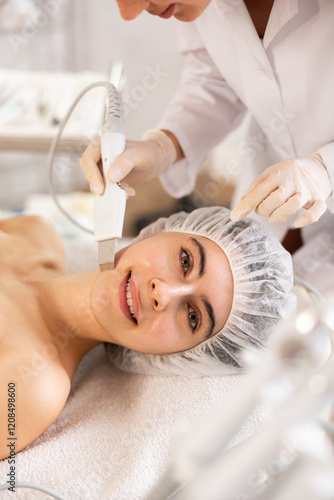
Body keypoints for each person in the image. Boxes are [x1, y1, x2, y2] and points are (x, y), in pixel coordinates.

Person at [0, 206, 294, 460]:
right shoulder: (35, 233)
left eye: (193, 317)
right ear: (156, 233)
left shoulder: (34, 388)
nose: (163, 293)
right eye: (185, 261)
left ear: (179, 356)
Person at [80, 0, 334, 273]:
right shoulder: (197, 6)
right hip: (273, 193)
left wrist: (325, 169)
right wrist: (165, 145)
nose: (128, 13)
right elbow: (213, 78)